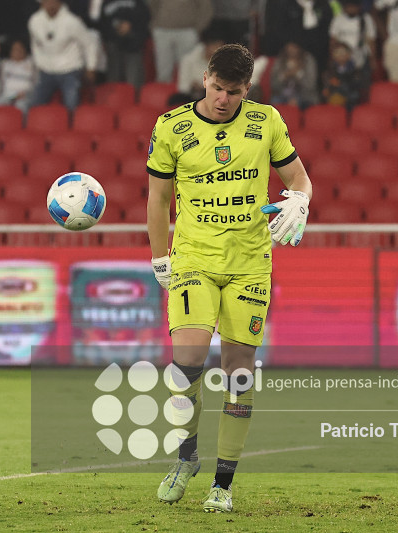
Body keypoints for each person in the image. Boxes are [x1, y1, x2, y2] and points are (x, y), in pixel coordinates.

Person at [146, 43, 312, 513]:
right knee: (187, 363)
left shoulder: (266, 122)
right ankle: (185, 458)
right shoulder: (171, 127)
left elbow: (300, 179)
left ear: (247, 89)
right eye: (217, 88)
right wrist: (162, 259)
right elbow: (158, 200)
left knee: (238, 375)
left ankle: (223, 483)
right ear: (204, 78)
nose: (223, 99)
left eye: (233, 92)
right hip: (194, 257)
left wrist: (300, 200)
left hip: (249, 264)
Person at [27, 0, 98, 112]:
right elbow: (35, 45)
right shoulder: (34, 21)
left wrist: (91, 67)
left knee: (71, 106)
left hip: (69, 70)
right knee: (34, 107)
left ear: (59, 2)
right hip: (46, 71)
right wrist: (39, 64)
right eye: (46, 2)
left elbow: (89, 44)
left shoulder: (72, 21)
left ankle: (73, 128)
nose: (50, 4)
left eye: (53, 2)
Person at [149, 0, 214, 83]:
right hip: (162, 30)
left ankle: (184, 93)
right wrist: (155, 25)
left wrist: (197, 29)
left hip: (187, 31)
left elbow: (206, 8)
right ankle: (163, 93)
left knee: (186, 67)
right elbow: (153, 5)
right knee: (163, 68)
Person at [97, 0, 149, 90]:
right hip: (113, 43)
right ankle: (114, 102)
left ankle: (136, 101)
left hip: (134, 43)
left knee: (133, 80)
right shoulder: (107, 2)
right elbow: (102, 24)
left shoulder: (138, 2)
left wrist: (131, 26)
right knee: (113, 80)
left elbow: (146, 18)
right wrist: (115, 30)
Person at [0, 38, 36, 113]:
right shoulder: (5, 64)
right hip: (8, 95)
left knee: (21, 106)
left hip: (25, 96)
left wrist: (28, 94)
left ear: (25, 50)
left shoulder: (32, 63)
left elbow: (39, 83)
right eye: (15, 49)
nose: (18, 51)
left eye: (20, 49)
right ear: (10, 52)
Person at [175, 31, 225, 102]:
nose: (218, 50)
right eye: (215, 46)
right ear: (206, 46)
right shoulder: (188, 60)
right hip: (191, 97)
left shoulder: (225, 62)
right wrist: (193, 86)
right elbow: (182, 87)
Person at [269, 41, 320, 108]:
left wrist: (297, 74)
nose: (292, 50)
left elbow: (310, 86)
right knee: (274, 102)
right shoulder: (280, 60)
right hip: (282, 95)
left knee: (295, 102)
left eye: (294, 47)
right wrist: (284, 76)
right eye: (290, 46)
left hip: (304, 96)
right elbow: (273, 85)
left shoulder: (308, 60)